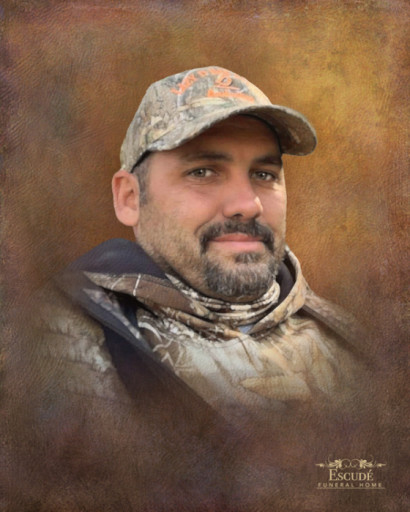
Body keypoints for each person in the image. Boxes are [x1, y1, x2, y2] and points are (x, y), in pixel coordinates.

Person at [4, 66, 369, 511]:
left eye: (264, 174)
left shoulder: (351, 343)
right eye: (203, 171)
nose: (247, 204)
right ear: (130, 198)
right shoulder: (45, 348)